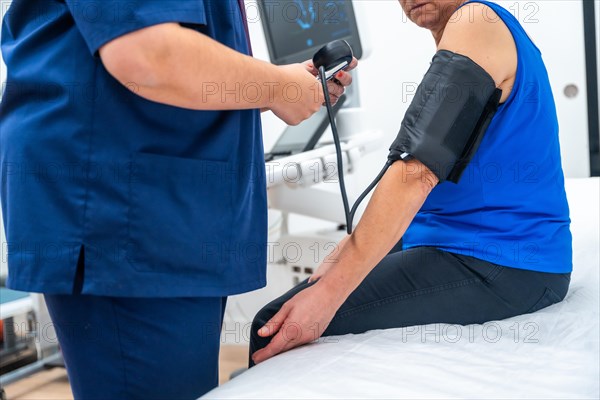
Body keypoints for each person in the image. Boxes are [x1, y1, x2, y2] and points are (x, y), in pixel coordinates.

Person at [0, 0, 356, 398]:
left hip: (156, 202)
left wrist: (277, 84)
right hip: (121, 204)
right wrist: (276, 87)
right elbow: (147, 53)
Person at [250, 0, 572, 366]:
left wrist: (331, 293)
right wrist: (344, 255)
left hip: (508, 262)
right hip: (466, 242)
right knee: (313, 286)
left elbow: (415, 171)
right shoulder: (475, 34)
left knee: (272, 325)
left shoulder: (476, 21)